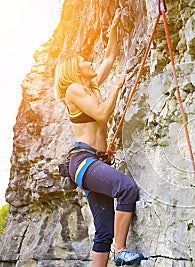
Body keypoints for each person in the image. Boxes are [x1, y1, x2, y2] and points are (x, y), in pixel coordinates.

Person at [54, 8, 144, 267]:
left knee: (102, 232)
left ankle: (110, 253)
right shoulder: (74, 90)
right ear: (76, 70)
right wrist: (115, 87)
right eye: (86, 62)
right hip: (83, 161)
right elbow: (103, 115)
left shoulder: (90, 86)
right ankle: (122, 250)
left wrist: (113, 29)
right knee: (126, 188)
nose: (91, 64)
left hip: (95, 163)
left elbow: (110, 56)